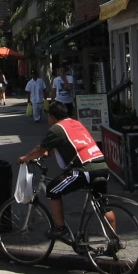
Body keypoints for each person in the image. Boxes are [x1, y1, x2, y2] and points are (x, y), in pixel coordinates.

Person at [19, 101, 111, 241]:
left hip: (84, 170)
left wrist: (26, 158)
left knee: (52, 190)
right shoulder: (75, 124)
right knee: (103, 205)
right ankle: (113, 240)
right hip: (101, 167)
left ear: (52, 116)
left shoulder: (57, 128)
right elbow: (58, 147)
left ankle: (60, 229)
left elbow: (40, 149)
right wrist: (46, 154)